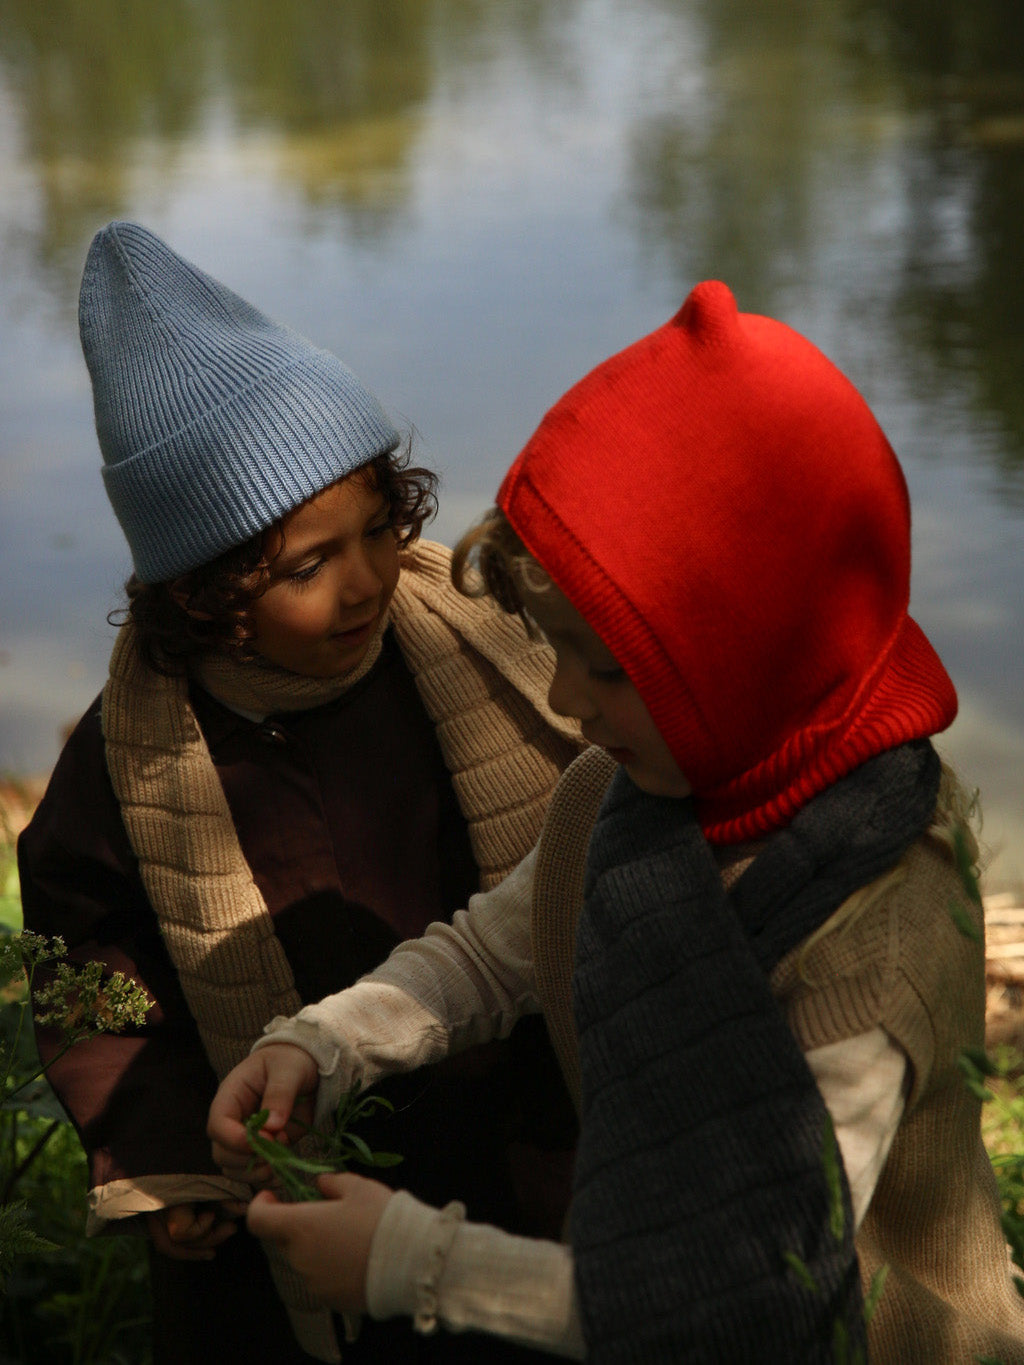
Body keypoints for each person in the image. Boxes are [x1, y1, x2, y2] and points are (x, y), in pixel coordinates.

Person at [208, 281, 1024, 1362]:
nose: (560, 702)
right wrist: (326, 1044)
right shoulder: (630, 798)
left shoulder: (873, 936)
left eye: (603, 669)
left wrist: (413, 1262)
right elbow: (498, 954)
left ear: (748, 663)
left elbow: (744, 1298)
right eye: (555, 651)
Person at [17, 221, 584, 1365]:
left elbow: (582, 837)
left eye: (377, 530)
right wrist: (167, 1156)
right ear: (205, 595)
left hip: (513, 1131)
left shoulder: (468, 642)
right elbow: (90, 980)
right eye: (305, 566)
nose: (369, 581)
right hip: (276, 1170)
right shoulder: (131, 764)